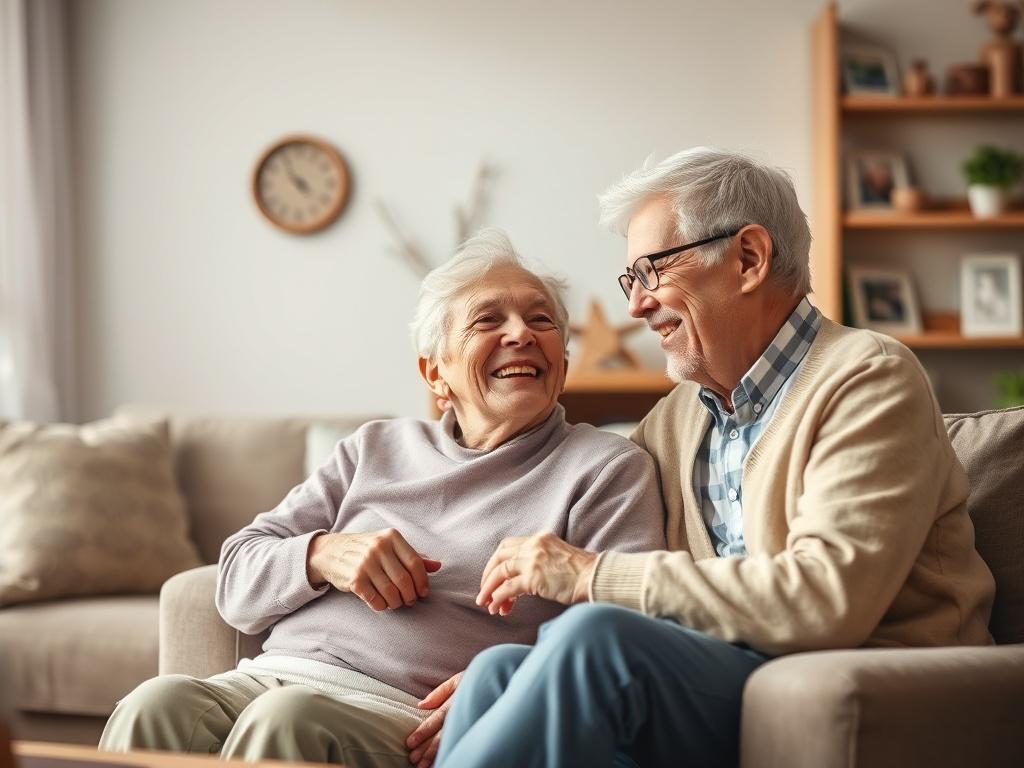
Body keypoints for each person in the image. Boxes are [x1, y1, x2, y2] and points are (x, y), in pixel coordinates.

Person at [436, 148, 996, 768]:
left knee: (595, 642)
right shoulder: (679, 417)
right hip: (729, 673)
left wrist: (587, 573)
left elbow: (829, 598)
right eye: (632, 281)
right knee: (496, 674)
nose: (636, 306)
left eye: (651, 272)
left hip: (875, 674)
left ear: (748, 259)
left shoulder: (867, 378)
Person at [98, 229, 666, 768]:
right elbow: (235, 582)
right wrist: (322, 554)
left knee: (288, 721)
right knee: (154, 705)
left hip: (403, 711)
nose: (521, 333)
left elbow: (622, 632)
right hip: (272, 674)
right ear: (435, 373)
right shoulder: (376, 446)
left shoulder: (604, 467)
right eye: (488, 320)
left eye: (541, 320)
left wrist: (514, 680)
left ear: (562, 364)